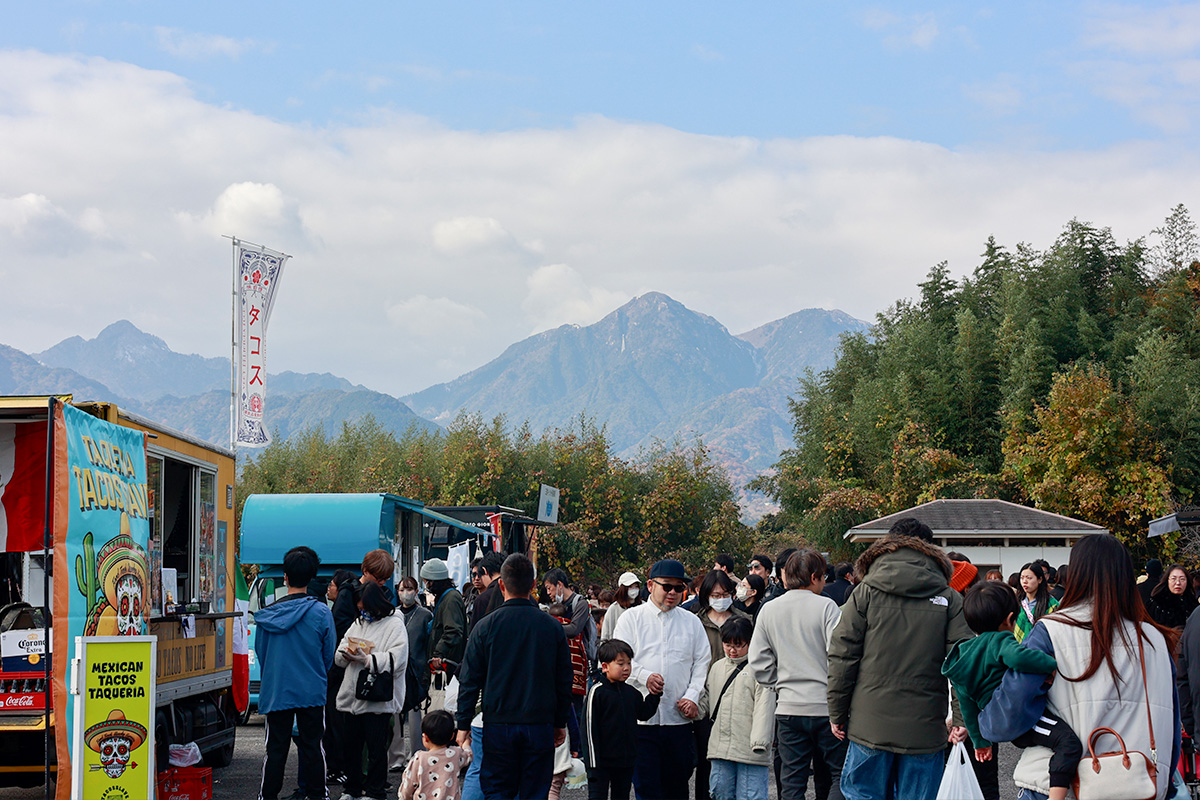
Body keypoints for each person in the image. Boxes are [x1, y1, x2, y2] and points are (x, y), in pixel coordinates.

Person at [979, 534, 1181, 800]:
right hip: (1141, 783)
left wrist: (981, 716)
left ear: (1076, 574)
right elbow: (1172, 726)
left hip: (1063, 786)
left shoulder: (1051, 631)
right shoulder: (1154, 638)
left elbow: (1006, 719)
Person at [827, 518, 973, 800]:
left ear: (888, 545)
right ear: (930, 550)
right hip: (925, 727)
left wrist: (837, 711)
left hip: (868, 723)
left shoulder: (864, 593)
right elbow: (962, 660)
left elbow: (842, 656)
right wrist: (961, 716)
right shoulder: (948, 598)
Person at [942, 582, 1081, 800]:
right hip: (1019, 721)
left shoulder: (964, 654)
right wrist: (1051, 663)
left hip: (993, 725)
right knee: (1069, 744)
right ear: (1009, 619)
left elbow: (968, 707)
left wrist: (980, 743)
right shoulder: (999, 640)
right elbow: (1019, 657)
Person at [455, 553, 573, 800]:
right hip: (539, 722)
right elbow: (563, 679)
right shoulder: (551, 627)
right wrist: (560, 722)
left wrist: (463, 723)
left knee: (498, 789)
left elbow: (469, 680)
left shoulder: (485, 627)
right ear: (533, 584)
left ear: (501, 584)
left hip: (498, 722)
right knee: (535, 791)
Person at [750, 549, 845, 800]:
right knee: (840, 775)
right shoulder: (827, 607)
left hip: (788, 708)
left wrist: (779, 683)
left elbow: (758, 661)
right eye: (823, 576)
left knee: (792, 782)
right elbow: (838, 658)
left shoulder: (769, 609)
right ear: (814, 577)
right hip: (826, 708)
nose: (825, 581)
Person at [613, 559, 711, 800]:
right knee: (646, 788)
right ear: (650, 585)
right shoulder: (631, 619)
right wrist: (644, 677)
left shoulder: (692, 622)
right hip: (641, 722)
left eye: (679, 588)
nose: (673, 593)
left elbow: (702, 662)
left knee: (677, 787)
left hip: (678, 720)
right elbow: (618, 659)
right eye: (667, 587)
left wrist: (692, 696)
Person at [255, 546, 337, 800]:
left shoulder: (267, 615)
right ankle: (317, 795)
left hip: (277, 688)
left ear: (285, 577)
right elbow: (328, 654)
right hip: (311, 688)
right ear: (311, 578)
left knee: (275, 749)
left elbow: (262, 652)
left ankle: (267, 796)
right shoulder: (322, 612)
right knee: (313, 746)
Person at [334, 580, 407, 800]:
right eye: (360, 608)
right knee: (352, 747)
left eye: (365, 607)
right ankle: (352, 789)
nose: (362, 612)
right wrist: (344, 654)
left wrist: (368, 660)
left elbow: (399, 659)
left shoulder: (394, 624)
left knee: (376, 749)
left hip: (378, 697)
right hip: (353, 696)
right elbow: (341, 648)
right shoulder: (358, 623)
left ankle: (375, 791)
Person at [701, 617, 775, 800]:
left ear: (751, 642)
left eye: (739, 645)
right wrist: (694, 709)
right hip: (720, 747)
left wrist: (760, 743)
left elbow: (764, 708)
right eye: (727, 644)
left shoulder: (760, 668)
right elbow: (708, 700)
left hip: (750, 748)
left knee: (751, 795)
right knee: (720, 793)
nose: (732, 650)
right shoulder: (717, 667)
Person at [693, 570, 750, 800]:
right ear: (706, 595)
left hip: (738, 698)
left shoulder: (745, 620)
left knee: (737, 762)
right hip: (706, 699)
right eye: (716, 594)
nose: (721, 598)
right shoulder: (695, 621)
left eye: (725, 593)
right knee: (706, 760)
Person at [585, 639, 662, 800]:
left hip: (625, 761)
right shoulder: (597, 692)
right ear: (605, 666)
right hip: (601, 763)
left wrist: (654, 695)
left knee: (621, 795)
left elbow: (643, 714)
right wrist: (593, 764)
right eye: (620, 664)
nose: (626, 668)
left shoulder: (632, 693)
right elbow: (589, 730)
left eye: (628, 663)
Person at [325, 570, 360, 785]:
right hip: (346, 672)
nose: (328, 588)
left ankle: (337, 767)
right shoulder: (352, 598)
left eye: (331, 584)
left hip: (337, 672)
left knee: (335, 720)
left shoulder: (343, 603)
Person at [394, 575, 432, 771]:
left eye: (409, 589)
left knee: (415, 715)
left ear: (416, 591)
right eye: (401, 589)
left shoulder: (425, 615)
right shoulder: (393, 614)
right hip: (397, 671)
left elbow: (428, 643)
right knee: (395, 715)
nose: (405, 593)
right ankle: (396, 758)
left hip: (417, 670)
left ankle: (416, 754)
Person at [399, 709, 472, 800]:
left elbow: (408, 785)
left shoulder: (419, 758)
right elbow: (469, 755)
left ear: (425, 738)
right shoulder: (456, 754)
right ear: (452, 736)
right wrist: (466, 743)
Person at [421, 558, 467, 674]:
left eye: (426, 581)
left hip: (447, 664)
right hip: (443, 663)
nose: (426, 585)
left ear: (434, 581)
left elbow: (453, 631)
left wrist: (439, 653)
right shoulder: (444, 598)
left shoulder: (451, 600)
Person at [1015, 562, 1059, 643]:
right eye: (1022, 578)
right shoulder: (1016, 602)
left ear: (1040, 579)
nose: (1024, 581)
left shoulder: (1051, 604)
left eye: (1029, 578)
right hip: (1017, 649)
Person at [1147, 564, 1198, 631]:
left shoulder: (1193, 604)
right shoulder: (1157, 603)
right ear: (1167, 580)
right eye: (1173, 579)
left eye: (1182, 579)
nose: (1178, 583)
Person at [468, 551, 505, 635]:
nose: (477, 578)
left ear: (484, 570)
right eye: (474, 575)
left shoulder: (482, 599)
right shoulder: (518, 594)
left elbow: (474, 636)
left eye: (479, 575)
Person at [601, 572, 642, 641]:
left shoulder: (643, 606)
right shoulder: (614, 609)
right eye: (630, 587)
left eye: (636, 587)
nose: (634, 590)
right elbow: (606, 633)